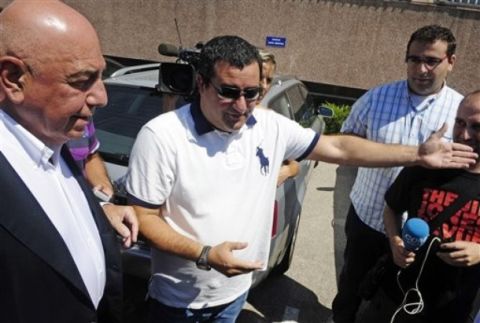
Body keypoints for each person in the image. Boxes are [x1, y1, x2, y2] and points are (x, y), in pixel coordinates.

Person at [125, 35, 475, 323]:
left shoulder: (268, 126)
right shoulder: (162, 136)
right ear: (200, 83)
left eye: (252, 93)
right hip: (178, 299)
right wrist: (205, 254)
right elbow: (145, 218)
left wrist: (416, 154)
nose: (243, 106)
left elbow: (338, 148)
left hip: (234, 294)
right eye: (229, 91)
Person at [0, 1, 135, 321]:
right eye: (81, 80)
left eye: (101, 76)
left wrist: (100, 211)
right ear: (13, 78)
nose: (102, 97)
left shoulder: (55, 140)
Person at [331, 24, 463, 322]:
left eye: (432, 60)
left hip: (422, 235)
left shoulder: (460, 113)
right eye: (414, 59)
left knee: (404, 300)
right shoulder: (376, 98)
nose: (421, 68)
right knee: (350, 289)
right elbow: (346, 143)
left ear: (451, 62)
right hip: (368, 219)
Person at [357, 90, 480, 322]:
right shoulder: (429, 164)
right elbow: (391, 208)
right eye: (460, 123)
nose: (464, 134)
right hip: (395, 295)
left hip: (450, 308)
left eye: (477, 127)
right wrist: (394, 242)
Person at [259, 49, 300, 186]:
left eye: (269, 80)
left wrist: (286, 171)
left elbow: (295, 164)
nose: (264, 86)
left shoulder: (271, 123)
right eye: (259, 77)